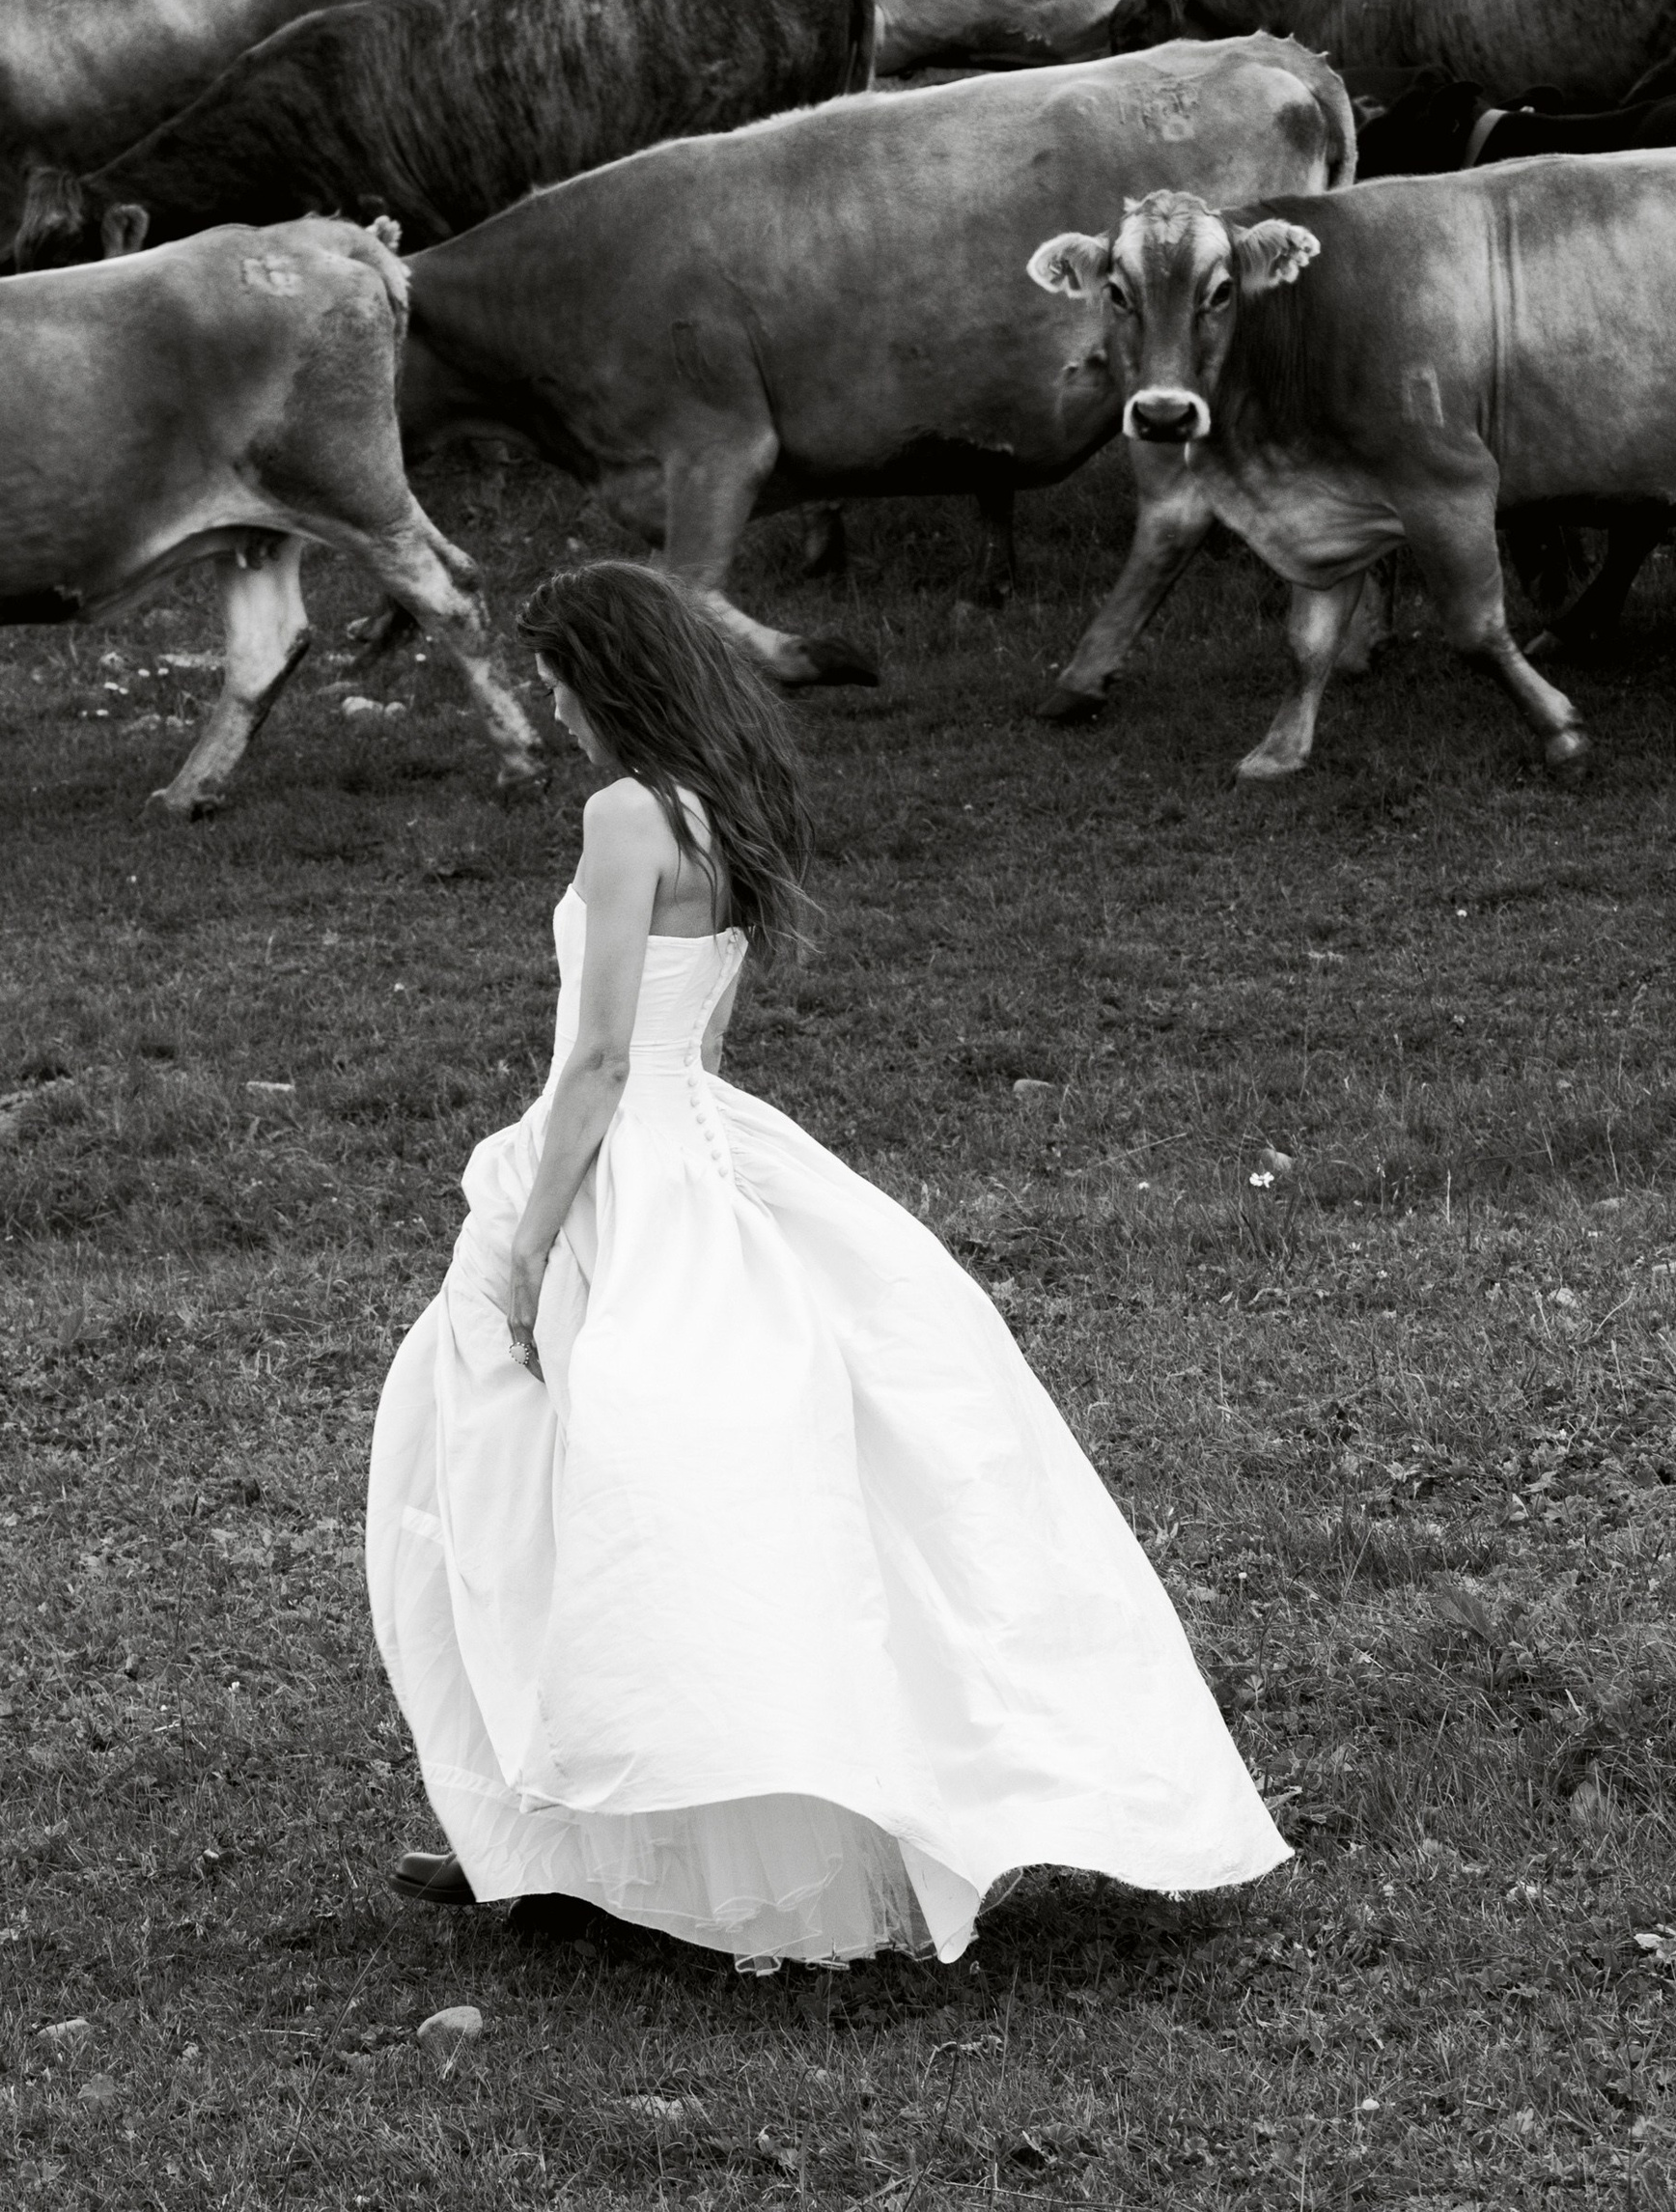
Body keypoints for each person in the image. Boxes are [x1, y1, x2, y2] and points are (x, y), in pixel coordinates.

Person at [364, 559, 1288, 1968]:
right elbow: (695, 1039)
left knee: (528, 1478)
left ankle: (579, 1823)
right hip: (707, 1153)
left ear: (602, 674)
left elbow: (606, 1055)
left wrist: (534, 1238)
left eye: (556, 679)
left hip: (624, 1171)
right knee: (633, 1491)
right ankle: (566, 1829)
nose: (548, 706)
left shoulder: (623, 814)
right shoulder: (717, 809)